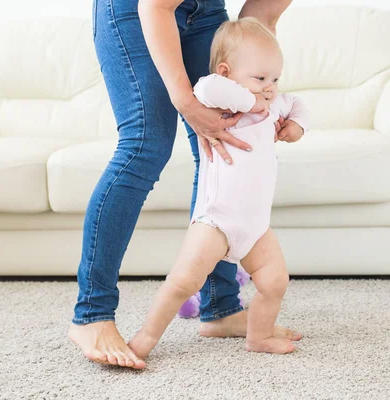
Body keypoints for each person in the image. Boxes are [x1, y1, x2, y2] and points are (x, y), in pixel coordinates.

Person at [69, 0, 301, 369]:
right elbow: (156, 7)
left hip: (206, 9)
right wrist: (188, 104)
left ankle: (221, 308)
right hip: (139, 7)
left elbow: (262, 19)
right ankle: (92, 314)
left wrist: (262, 97)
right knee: (145, 144)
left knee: (222, 139)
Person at [127, 17, 309, 363]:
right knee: (183, 282)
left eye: (274, 79)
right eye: (259, 78)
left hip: (255, 227)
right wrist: (249, 100)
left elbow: (298, 104)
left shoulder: (273, 106)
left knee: (275, 281)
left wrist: (296, 127)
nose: (269, 88)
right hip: (216, 222)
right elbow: (207, 87)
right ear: (228, 73)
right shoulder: (220, 102)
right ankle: (145, 338)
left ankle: (259, 336)